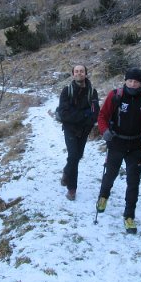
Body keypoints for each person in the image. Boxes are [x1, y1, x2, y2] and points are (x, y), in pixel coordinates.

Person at [96, 68, 141, 234]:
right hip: (116, 142)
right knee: (110, 173)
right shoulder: (116, 95)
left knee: (133, 182)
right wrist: (105, 131)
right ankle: (103, 196)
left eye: (136, 81)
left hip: (136, 145)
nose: (133, 84)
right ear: (125, 80)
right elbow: (102, 116)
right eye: (130, 81)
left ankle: (129, 216)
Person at [58, 65, 99, 201]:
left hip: (84, 130)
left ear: (86, 74)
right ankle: (72, 189)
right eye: (76, 71)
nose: (79, 73)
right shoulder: (66, 91)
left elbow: (95, 114)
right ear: (73, 74)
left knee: (77, 156)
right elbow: (64, 114)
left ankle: (66, 172)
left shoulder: (92, 92)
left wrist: (77, 115)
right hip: (69, 129)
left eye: (82, 71)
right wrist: (84, 115)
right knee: (74, 156)